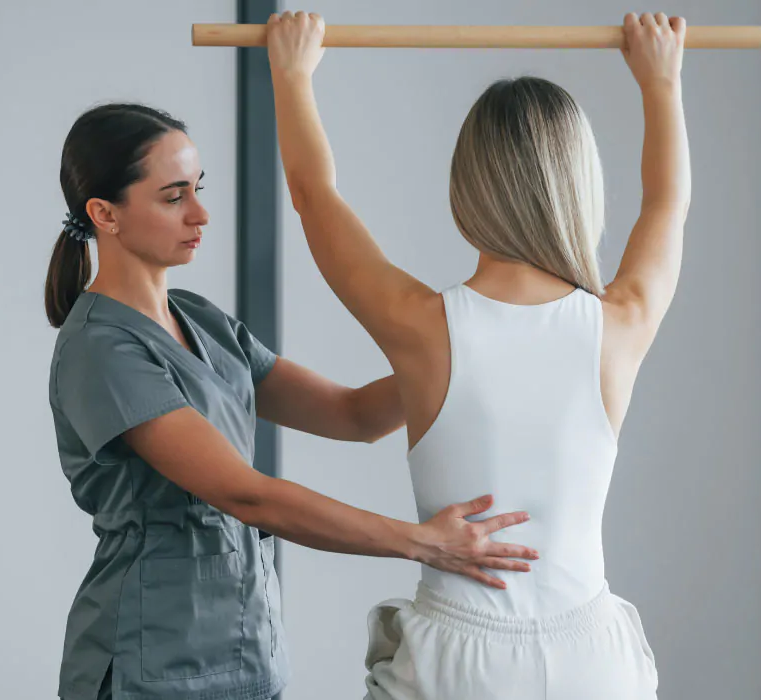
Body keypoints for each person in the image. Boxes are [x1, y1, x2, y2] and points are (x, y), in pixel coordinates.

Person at [44, 103, 539, 700]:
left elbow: (353, 416)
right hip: (152, 663)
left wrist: (463, 347)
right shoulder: (102, 349)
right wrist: (420, 540)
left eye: (198, 190)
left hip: (248, 652)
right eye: (173, 197)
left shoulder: (201, 320)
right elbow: (244, 493)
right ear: (105, 214)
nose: (200, 213)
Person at [266, 10, 690, 699]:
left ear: (465, 190)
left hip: (458, 665)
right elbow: (667, 203)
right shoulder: (622, 322)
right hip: (593, 666)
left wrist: (292, 72)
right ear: (580, 186)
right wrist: (661, 81)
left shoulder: (421, 326)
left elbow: (315, 198)